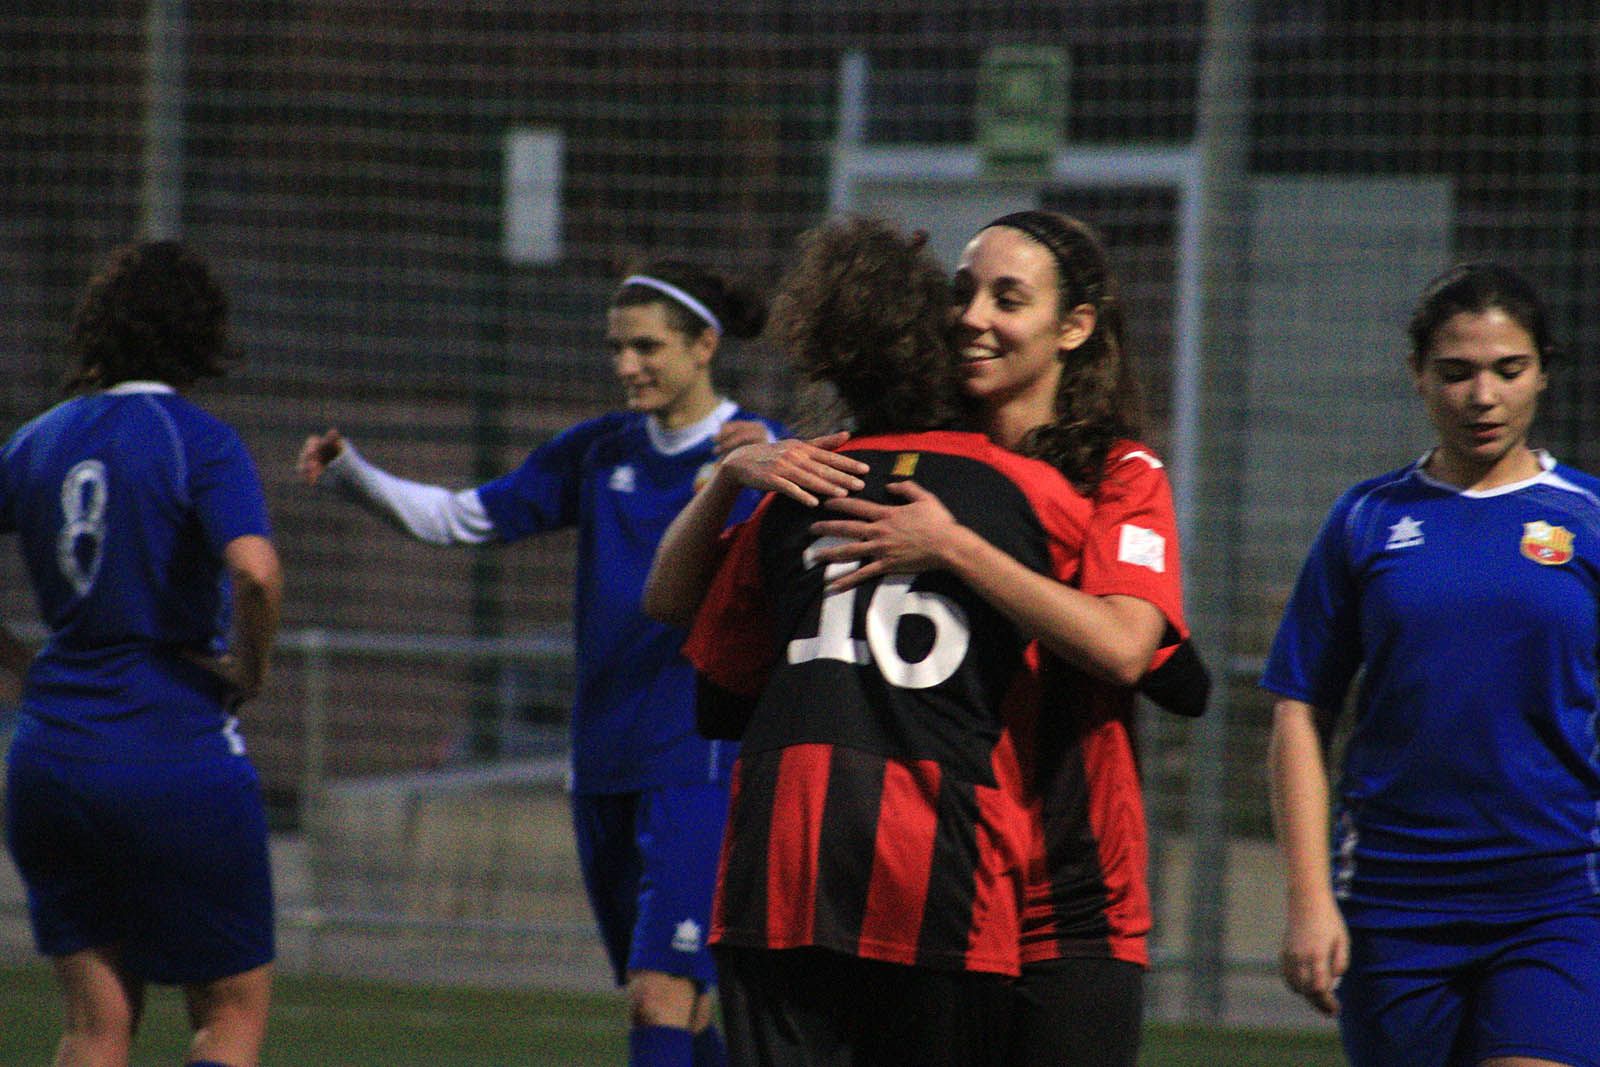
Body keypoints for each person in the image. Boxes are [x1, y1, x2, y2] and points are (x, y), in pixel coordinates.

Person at [649, 210, 1195, 1067]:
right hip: (954, 862)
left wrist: (954, 546)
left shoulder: (1113, 475)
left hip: (1067, 887)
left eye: (1008, 297)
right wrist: (730, 475)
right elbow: (677, 601)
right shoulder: (886, 464)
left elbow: (1132, 648)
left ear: (1075, 328)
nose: (973, 315)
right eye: (963, 291)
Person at [296, 260, 782, 1067]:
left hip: (699, 759)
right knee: (677, 1010)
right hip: (601, 761)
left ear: (705, 345)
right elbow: (460, 518)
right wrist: (354, 475)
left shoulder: (762, 454)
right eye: (617, 347)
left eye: (648, 346)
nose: (627, 364)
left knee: (661, 994)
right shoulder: (598, 452)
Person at [1262, 262, 1600, 1067]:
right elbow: (1298, 710)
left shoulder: (1588, 518)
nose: (1482, 395)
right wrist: (1311, 900)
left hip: (1555, 895)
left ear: (1544, 371)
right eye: (1456, 372)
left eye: (1507, 370)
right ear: (1416, 376)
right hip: (1395, 898)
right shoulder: (1368, 519)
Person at [1, 240, 284, 1067]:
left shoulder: (38, 440)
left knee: (96, 1025)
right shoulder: (200, 440)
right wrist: (249, 669)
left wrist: (22, 666)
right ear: (203, 336)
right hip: (172, 750)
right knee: (229, 1017)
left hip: (50, 756)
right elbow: (257, 572)